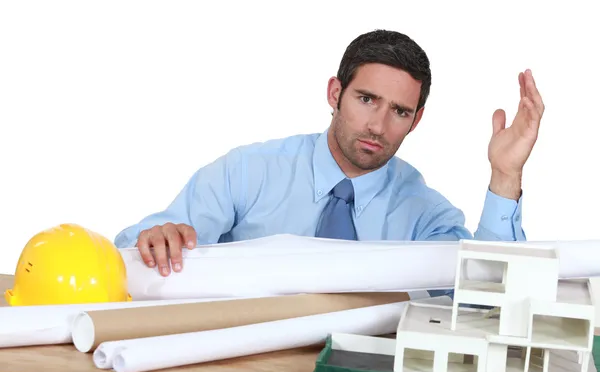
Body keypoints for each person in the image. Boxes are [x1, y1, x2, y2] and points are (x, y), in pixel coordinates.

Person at [114, 29, 543, 282]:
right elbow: (139, 249)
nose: (378, 125)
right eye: (367, 99)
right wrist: (155, 240)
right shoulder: (248, 172)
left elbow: (482, 296)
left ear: (416, 121)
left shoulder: (426, 215)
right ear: (335, 94)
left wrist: (505, 174)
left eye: (399, 111)